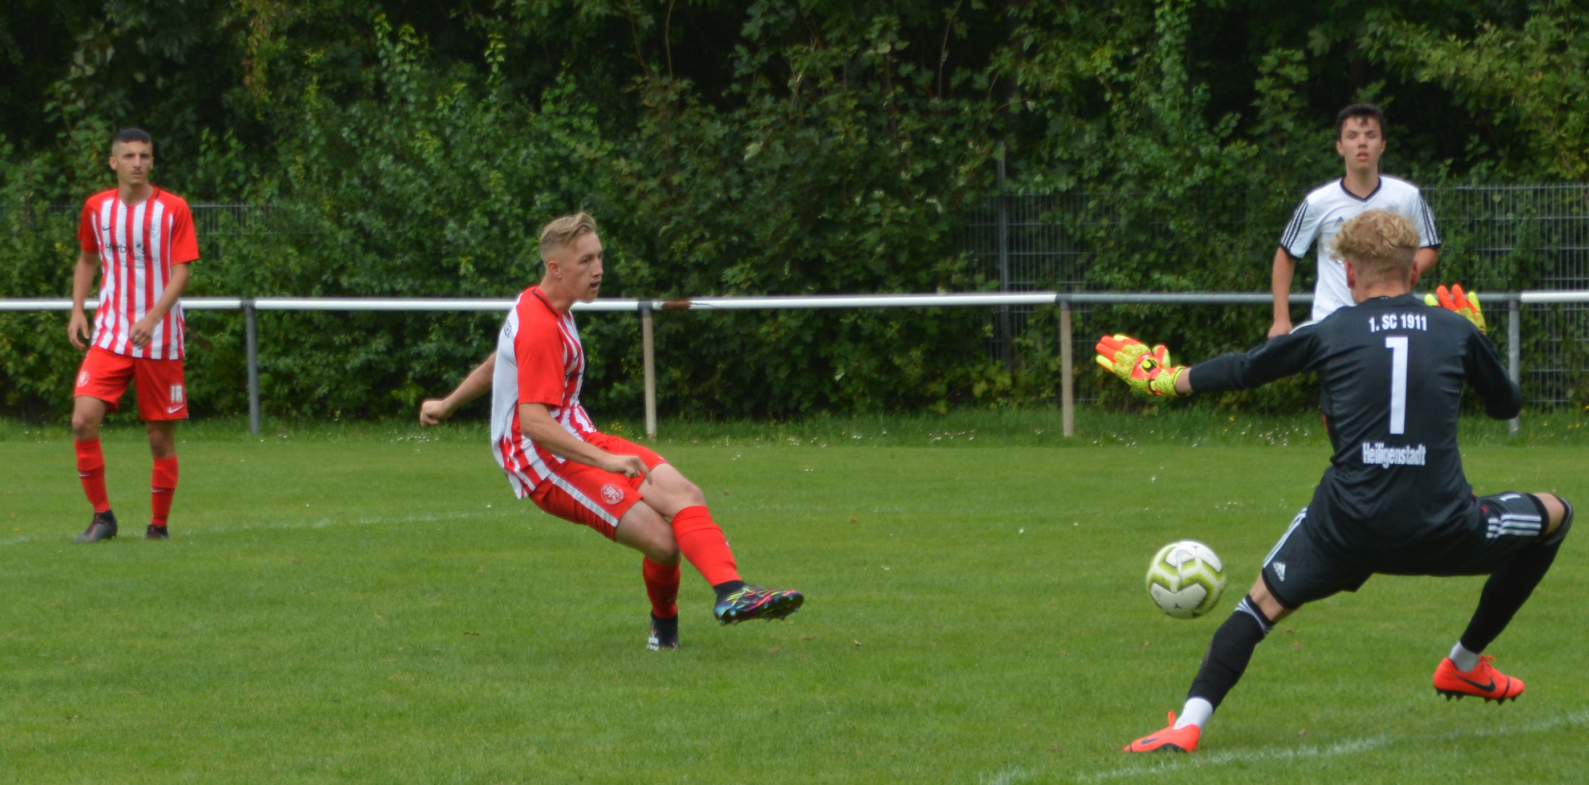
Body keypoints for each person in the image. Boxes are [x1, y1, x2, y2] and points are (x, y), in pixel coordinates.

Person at [1095, 210, 1573, 753]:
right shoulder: (1455, 329)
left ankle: (1188, 723)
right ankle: (1463, 662)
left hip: (1346, 529)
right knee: (1556, 515)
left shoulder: (1329, 331)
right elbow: (1506, 405)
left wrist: (1169, 379)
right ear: (1414, 272)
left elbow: (1246, 369)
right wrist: (1479, 339)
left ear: (1348, 275)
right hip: (1444, 526)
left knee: (1257, 608)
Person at [419, 212, 804, 650]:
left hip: (579, 438)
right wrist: (606, 460)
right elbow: (535, 424)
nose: (598, 269)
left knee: (685, 494)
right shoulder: (541, 327)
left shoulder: (538, 304)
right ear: (555, 268)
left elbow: (498, 362)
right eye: (585, 261)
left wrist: (447, 404)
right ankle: (664, 626)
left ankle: (733, 592)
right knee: (663, 543)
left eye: (599, 257)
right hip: (544, 462)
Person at [68, 128, 199, 543]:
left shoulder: (173, 209)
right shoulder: (97, 208)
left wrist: (154, 317)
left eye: (144, 155)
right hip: (110, 335)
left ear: (152, 161)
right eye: (129, 156)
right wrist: (77, 310)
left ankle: (158, 527)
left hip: (159, 339)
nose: (137, 163)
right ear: (114, 162)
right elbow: (87, 259)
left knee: (159, 438)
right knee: (82, 420)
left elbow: (182, 270)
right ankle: (102, 518)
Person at [1269, 103, 1441, 337]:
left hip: (1388, 321)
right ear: (1339, 146)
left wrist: (1400, 270)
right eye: (1352, 136)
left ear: (1382, 145)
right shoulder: (1318, 202)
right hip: (1332, 323)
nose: (1362, 143)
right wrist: (1281, 319)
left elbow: (1430, 247)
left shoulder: (1407, 196)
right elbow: (1286, 255)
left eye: (1371, 135)